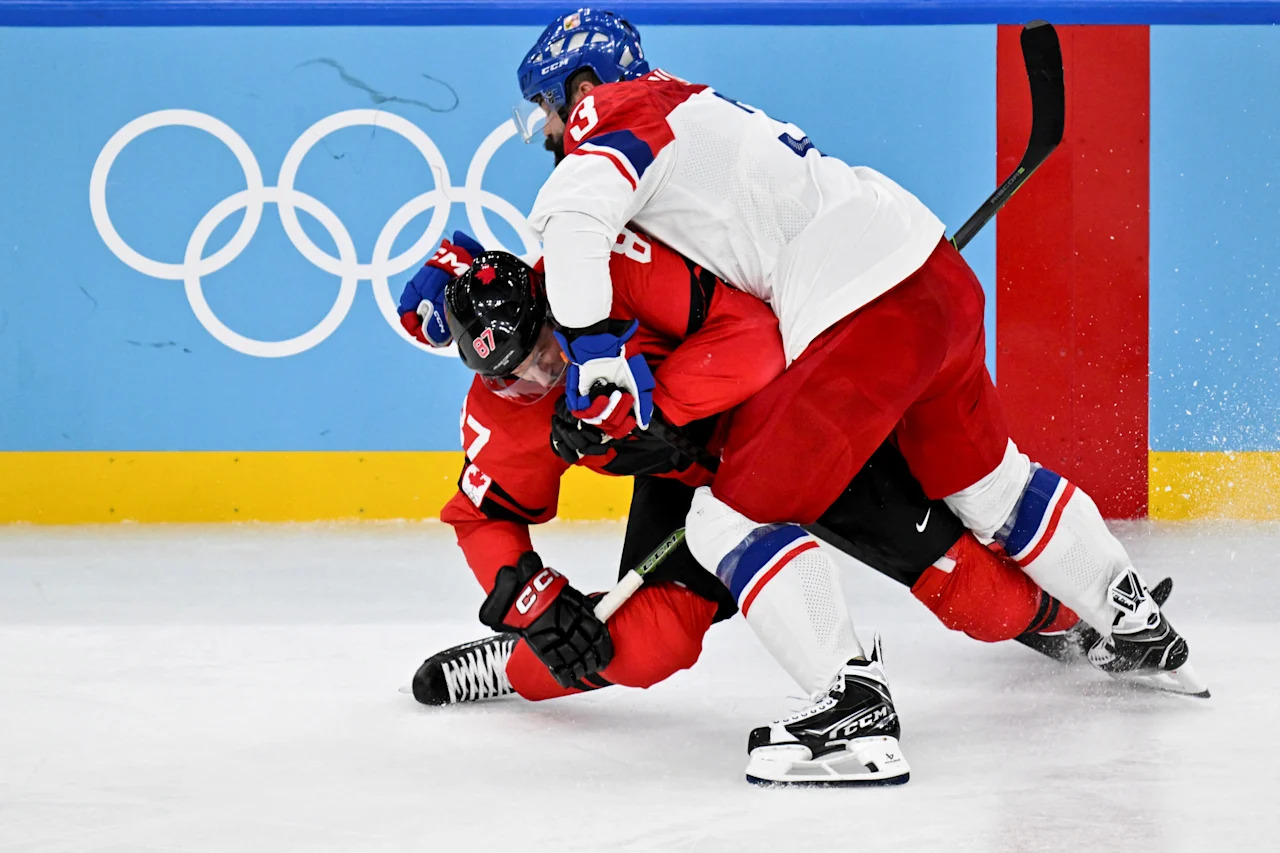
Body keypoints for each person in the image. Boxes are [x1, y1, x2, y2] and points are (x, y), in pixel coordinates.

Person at [515, 9, 1207, 783]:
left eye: (544, 108)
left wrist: (598, 356)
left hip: (864, 314)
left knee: (728, 517)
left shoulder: (610, 110)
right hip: (932, 272)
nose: (548, 132)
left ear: (576, 85)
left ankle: (851, 705)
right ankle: (1132, 616)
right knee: (992, 483)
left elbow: (575, 218)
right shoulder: (690, 101)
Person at [398, 229, 1137, 775]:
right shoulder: (504, 411)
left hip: (801, 421)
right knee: (648, 643)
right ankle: (510, 663)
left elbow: (752, 334)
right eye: (514, 373)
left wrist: (671, 415)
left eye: (545, 343)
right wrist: (536, 607)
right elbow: (484, 515)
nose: (545, 372)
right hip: (706, 485)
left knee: (979, 596)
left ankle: (1080, 621)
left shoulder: (611, 270)